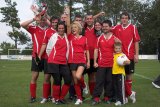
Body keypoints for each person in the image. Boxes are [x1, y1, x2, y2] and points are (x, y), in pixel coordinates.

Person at [112, 12, 140, 103]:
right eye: (122, 18)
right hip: (119, 57)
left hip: (129, 56)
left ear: (128, 19)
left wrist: (136, 55)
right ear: (120, 19)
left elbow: (136, 42)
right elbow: (106, 29)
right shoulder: (116, 27)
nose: (124, 19)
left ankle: (127, 95)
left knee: (128, 77)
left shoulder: (133, 27)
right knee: (120, 77)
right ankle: (129, 93)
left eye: (126, 18)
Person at [20, 15, 48, 103]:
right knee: (34, 77)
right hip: (36, 56)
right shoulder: (34, 28)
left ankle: (46, 96)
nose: (43, 21)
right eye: (41, 20)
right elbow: (22, 25)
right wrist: (33, 19)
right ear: (38, 20)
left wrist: (46, 17)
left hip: (47, 56)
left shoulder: (49, 30)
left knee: (47, 78)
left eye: (44, 20)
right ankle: (32, 97)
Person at [92, 20, 120, 105]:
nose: (104, 28)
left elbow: (119, 49)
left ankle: (107, 97)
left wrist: (119, 42)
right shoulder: (99, 38)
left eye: (106, 26)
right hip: (101, 64)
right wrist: (95, 62)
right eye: (103, 26)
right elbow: (96, 50)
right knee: (99, 81)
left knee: (109, 81)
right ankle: (96, 97)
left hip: (112, 64)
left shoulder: (114, 38)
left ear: (110, 27)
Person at [45, 21, 71, 105]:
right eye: (59, 28)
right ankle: (56, 99)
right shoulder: (54, 36)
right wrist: (52, 59)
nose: (61, 30)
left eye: (62, 28)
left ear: (65, 29)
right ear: (57, 29)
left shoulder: (67, 36)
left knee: (68, 80)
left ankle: (61, 97)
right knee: (57, 81)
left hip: (63, 62)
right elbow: (48, 49)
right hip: (53, 61)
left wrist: (67, 13)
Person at [67, 21, 90, 105]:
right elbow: (68, 25)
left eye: (75, 27)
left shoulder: (84, 38)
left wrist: (88, 62)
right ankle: (79, 98)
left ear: (79, 29)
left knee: (78, 76)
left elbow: (87, 50)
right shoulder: (70, 37)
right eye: (73, 28)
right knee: (75, 81)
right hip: (72, 61)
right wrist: (67, 12)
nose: (73, 29)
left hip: (81, 60)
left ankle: (84, 86)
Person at [38, 16, 57, 104]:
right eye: (52, 22)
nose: (54, 24)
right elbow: (44, 44)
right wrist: (39, 55)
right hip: (48, 59)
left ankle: (54, 97)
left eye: (55, 22)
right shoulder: (47, 31)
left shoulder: (61, 31)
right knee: (46, 78)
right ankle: (45, 97)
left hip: (58, 59)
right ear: (51, 23)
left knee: (56, 79)